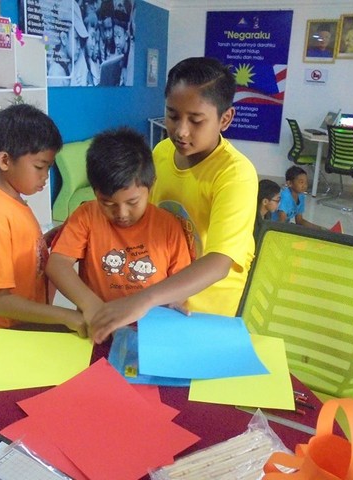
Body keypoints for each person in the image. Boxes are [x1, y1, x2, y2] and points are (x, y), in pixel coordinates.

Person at [88, 56, 258, 344]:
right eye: (173, 115)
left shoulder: (234, 175)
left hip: (207, 314)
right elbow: (143, 218)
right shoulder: (162, 152)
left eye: (196, 120)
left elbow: (219, 262)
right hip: (160, 302)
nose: (181, 130)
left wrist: (144, 299)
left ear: (225, 119)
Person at [46, 127, 192, 323]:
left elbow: (182, 281)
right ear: (95, 191)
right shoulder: (86, 216)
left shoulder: (168, 226)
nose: (122, 214)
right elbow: (58, 264)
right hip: (99, 325)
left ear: (151, 185)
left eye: (132, 202)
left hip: (151, 326)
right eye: (108, 203)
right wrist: (93, 307)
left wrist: (173, 302)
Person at [0, 104, 86, 336]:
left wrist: (49, 239)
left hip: (27, 327)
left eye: (49, 168)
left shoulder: (14, 201)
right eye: (40, 167)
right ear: (5, 161)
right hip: (5, 334)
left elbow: (20, 249)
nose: (45, 176)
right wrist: (66, 316)